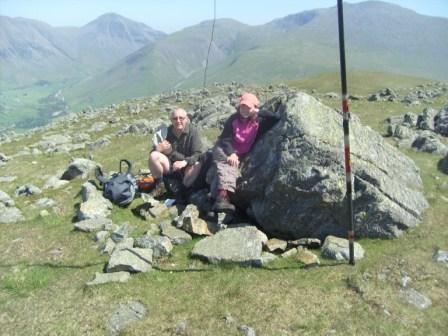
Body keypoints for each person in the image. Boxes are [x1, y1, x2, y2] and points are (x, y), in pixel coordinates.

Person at [210, 92, 280, 212]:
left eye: (248, 107)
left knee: (220, 172)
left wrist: (258, 112)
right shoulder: (233, 119)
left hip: (239, 154)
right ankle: (222, 199)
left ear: (254, 108)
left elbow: (275, 118)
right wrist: (231, 153)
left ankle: (212, 205)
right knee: (230, 165)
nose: (244, 110)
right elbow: (225, 139)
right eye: (242, 106)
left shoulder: (259, 122)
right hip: (223, 148)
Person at [149, 107, 204, 196]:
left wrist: (185, 162)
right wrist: (157, 149)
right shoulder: (166, 132)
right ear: (171, 120)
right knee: (154, 155)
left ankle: (182, 192)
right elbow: (152, 154)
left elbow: (198, 154)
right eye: (175, 118)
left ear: (186, 119)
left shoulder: (193, 131)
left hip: (187, 166)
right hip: (171, 166)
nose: (178, 121)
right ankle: (160, 186)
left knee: (197, 164)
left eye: (181, 118)